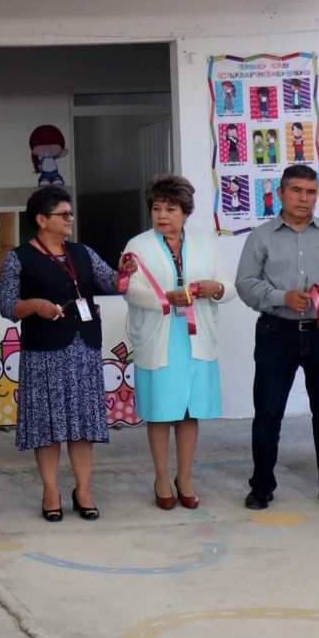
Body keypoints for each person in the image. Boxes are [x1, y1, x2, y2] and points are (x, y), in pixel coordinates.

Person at [235, 165, 319, 512]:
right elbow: (245, 284)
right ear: (280, 193)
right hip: (276, 333)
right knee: (268, 413)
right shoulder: (260, 237)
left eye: (311, 192)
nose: (304, 199)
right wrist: (282, 297)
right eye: (296, 191)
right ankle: (262, 486)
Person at [0, 186, 132, 522]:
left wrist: (125, 271)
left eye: (71, 214)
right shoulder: (18, 258)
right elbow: (6, 306)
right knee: (47, 425)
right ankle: (51, 490)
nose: (70, 219)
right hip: (43, 353)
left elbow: (111, 283)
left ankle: (83, 490)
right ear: (42, 220)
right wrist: (34, 306)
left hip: (83, 349)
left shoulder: (82, 252)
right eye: (63, 214)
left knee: (83, 424)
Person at [121, 174, 234, 511]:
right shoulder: (137, 245)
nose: (162, 215)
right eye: (157, 208)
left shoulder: (204, 244)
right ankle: (160, 477)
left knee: (189, 411)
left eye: (171, 208)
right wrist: (166, 299)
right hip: (160, 337)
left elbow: (228, 287)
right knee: (159, 412)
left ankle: (184, 477)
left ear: (186, 212)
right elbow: (130, 289)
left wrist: (216, 289)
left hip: (196, 340)